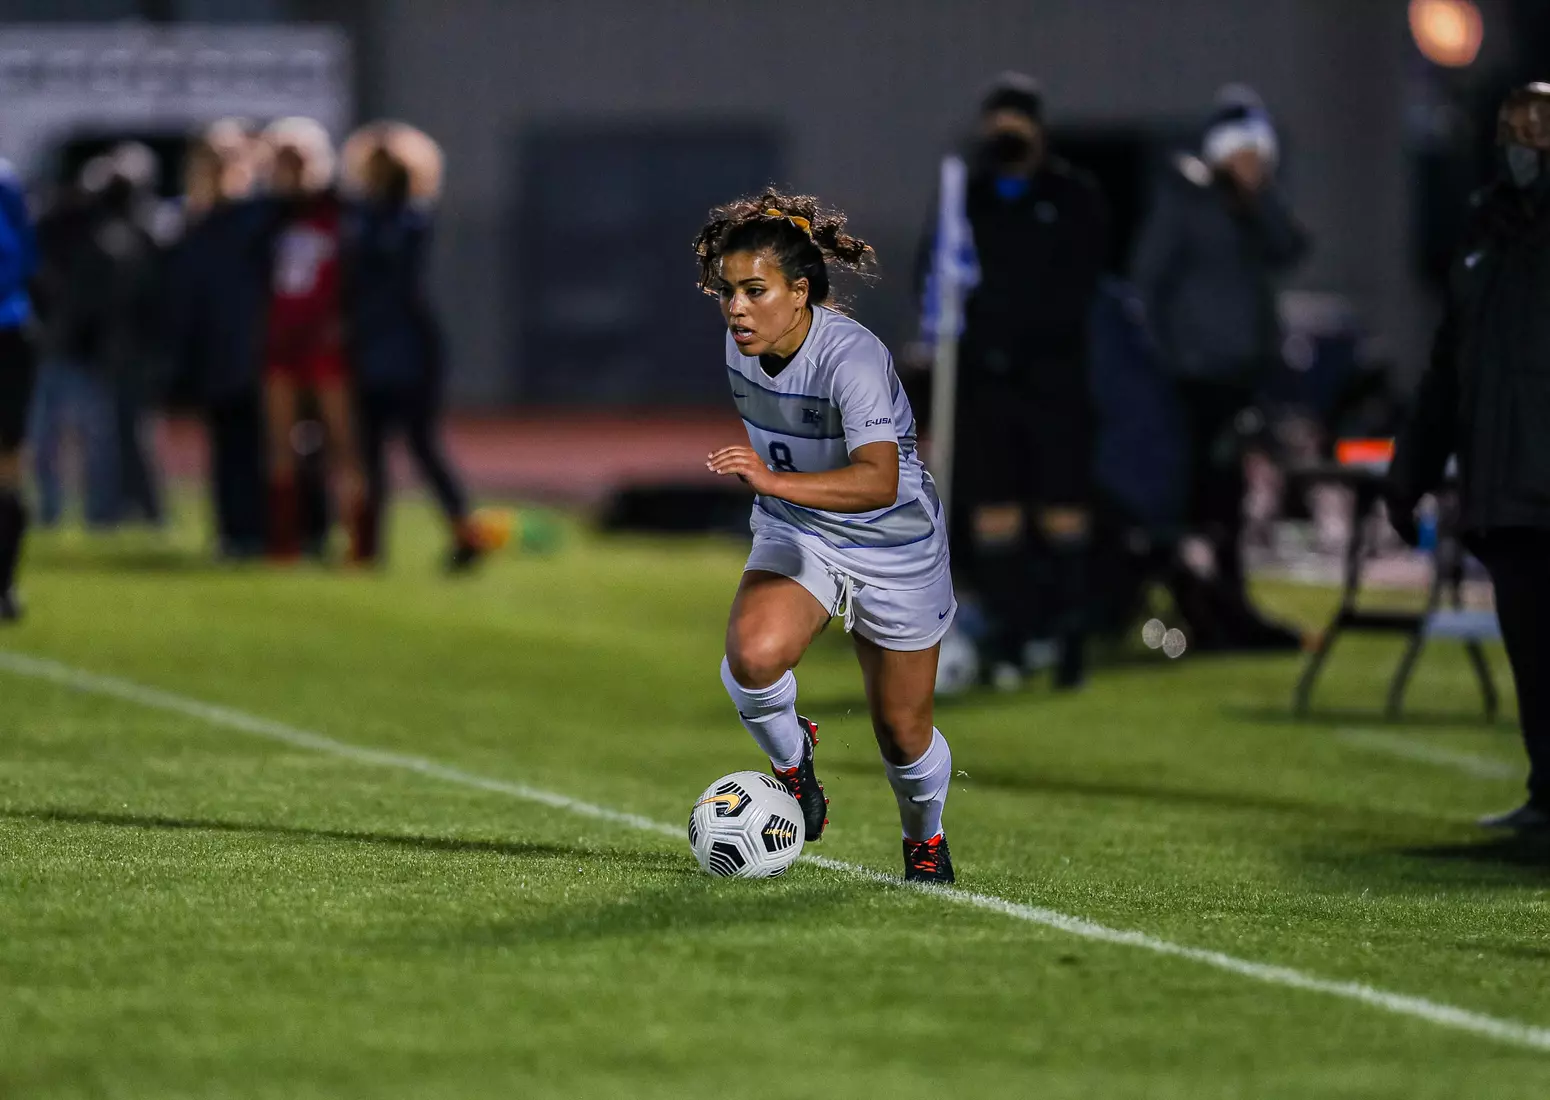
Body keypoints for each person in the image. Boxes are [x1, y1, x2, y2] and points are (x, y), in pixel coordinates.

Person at [695, 192, 958, 883]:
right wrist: (781, 496)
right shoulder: (740, 342)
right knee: (753, 657)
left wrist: (771, 483)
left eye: (755, 291)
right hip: (802, 530)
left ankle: (924, 839)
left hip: (894, 544)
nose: (737, 308)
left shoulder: (853, 359)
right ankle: (793, 763)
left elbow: (877, 481)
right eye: (729, 292)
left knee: (902, 735)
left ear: (800, 292)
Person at [1388, 82, 1550, 833]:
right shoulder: (1483, 229)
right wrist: (1411, 469)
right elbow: (1448, 367)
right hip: (1506, 486)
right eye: (1512, 127)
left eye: (1537, 127)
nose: (1522, 141)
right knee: (1532, 651)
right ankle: (1547, 791)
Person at [942, 73, 1109, 689]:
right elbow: (936, 276)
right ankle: (1010, 639)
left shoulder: (1073, 197)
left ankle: (1067, 639)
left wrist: (1026, 339)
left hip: (1052, 378)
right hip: (988, 383)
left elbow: (1079, 284)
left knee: (1063, 511)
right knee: (996, 513)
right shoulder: (969, 199)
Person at [1130, 85, 1309, 650]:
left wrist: (1262, 198)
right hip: (1194, 381)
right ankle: (1201, 608)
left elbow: (1291, 249)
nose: (1254, 165)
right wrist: (1169, 357)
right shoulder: (1185, 202)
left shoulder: (1252, 208)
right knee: (1202, 499)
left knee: (1227, 500)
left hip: (1239, 377)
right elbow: (1146, 283)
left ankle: (1225, 607)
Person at [344, 132, 486, 570]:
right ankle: (368, 548)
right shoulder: (363, 219)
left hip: (402, 349)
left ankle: (464, 532)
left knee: (415, 446)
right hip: (376, 345)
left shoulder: (407, 221)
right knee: (373, 451)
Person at [166, 123, 272, 558]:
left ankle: (271, 530)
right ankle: (234, 531)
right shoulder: (195, 223)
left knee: (264, 444)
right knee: (228, 445)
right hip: (215, 350)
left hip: (259, 346)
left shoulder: (261, 218)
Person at [259, 118, 363, 561]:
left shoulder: (340, 213)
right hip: (281, 341)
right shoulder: (268, 217)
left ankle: (358, 542)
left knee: (342, 443)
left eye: (298, 161)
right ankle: (285, 543)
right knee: (280, 444)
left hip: (325, 342)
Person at [0, 155, 37, 621]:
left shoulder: (5, 179)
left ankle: (4, 581)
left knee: (8, 459)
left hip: (8, 332)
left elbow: (25, 255)